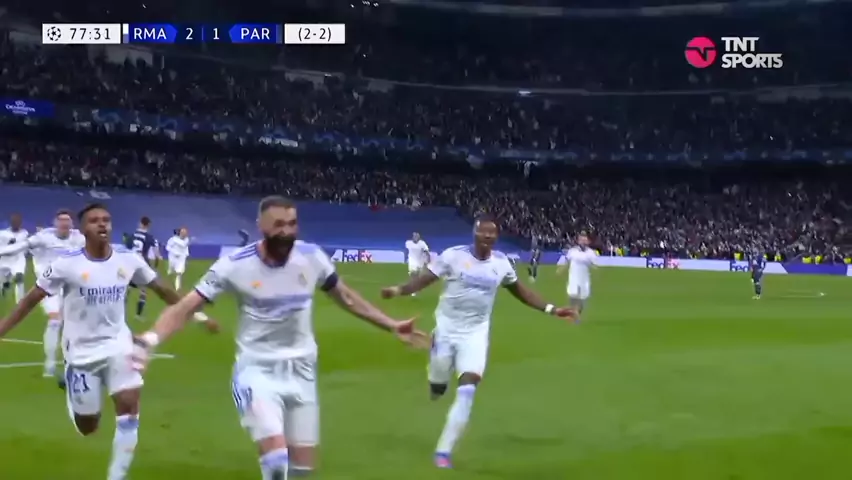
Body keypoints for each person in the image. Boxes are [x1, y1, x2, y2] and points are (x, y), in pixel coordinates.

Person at [131, 195, 430, 479]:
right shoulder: (235, 265)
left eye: (292, 224)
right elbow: (185, 307)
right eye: (278, 225)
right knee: (276, 458)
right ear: (261, 226)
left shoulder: (311, 257)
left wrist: (391, 325)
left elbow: (347, 298)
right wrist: (149, 341)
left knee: (302, 467)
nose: (287, 231)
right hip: (257, 371)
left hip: (302, 371)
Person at [0, 203, 217, 480]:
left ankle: (116, 476)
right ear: (83, 229)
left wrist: (198, 315)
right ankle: (75, 398)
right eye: (94, 220)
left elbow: (162, 290)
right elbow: (30, 300)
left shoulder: (128, 259)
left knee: (129, 406)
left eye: (106, 219)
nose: (102, 224)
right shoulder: (66, 264)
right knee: (88, 425)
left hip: (119, 345)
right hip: (81, 353)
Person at [380, 215, 576, 469]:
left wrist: (552, 309)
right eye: (484, 232)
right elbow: (426, 279)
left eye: (492, 233)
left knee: (468, 389)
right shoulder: (454, 256)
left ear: (496, 237)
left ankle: (443, 451)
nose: (488, 237)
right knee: (438, 385)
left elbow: (520, 291)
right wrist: (398, 290)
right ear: (475, 234)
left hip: (475, 334)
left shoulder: (501, 264)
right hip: (447, 329)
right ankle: (436, 382)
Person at [0, 209, 84, 378]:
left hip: (72, 287)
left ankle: (75, 362)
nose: (64, 224)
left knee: (75, 326)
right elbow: (20, 247)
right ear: (55, 223)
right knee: (55, 321)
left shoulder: (79, 238)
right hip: (48, 287)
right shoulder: (44, 237)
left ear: (71, 224)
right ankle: (50, 366)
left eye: (67, 221)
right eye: (61, 220)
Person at [556, 232, 598, 321]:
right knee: (573, 296)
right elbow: (567, 262)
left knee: (582, 298)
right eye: (581, 239)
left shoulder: (591, 253)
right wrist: (561, 270)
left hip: (584, 278)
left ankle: (576, 314)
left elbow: (595, 265)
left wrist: (594, 270)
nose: (583, 241)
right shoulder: (572, 251)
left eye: (585, 239)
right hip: (573, 277)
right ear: (578, 241)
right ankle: (573, 314)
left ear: (588, 241)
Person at [130, 217, 157, 320]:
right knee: (143, 290)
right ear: (148, 225)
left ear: (140, 223)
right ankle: (138, 315)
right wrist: (154, 266)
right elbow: (156, 254)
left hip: (130, 263)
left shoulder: (133, 235)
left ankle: (118, 312)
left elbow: (126, 248)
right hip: (142, 264)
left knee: (126, 288)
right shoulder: (150, 238)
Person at [0, 213, 29, 302]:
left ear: (20, 223)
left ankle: (20, 302)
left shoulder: (25, 233)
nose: (16, 223)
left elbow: (26, 245)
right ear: (11, 222)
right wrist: (9, 245)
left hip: (18, 259)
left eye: (18, 222)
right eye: (14, 221)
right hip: (5, 260)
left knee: (19, 278)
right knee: (3, 280)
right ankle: (5, 284)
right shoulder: (3, 234)